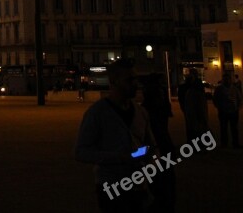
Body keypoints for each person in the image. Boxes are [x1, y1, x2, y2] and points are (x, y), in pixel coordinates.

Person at [75, 58, 157, 212]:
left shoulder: (140, 112)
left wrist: (149, 159)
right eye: (129, 80)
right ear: (114, 81)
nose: (135, 84)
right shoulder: (97, 113)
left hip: (139, 185)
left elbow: (151, 146)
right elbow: (80, 152)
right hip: (112, 186)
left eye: (135, 79)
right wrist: (118, 158)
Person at [140, 73, 176, 211]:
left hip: (160, 151)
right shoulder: (145, 112)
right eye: (159, 93)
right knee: (160, 192)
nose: (162, 96)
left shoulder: (151, 109)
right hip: (154, 153)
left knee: (165, 191)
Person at [178, 68, 208, 142]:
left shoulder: (192, 87)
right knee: (195, 127)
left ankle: (194, 142)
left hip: (193, 109)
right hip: (193, 110)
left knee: (192, 127)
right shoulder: (193, 88)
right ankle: (197, 142)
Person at [212, 73, 241, 148]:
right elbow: (215, 99)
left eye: (228, 79)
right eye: (225, 79)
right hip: (223, 112)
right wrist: (219, 107)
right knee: (223, 128)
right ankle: (224, 143)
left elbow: (239, 98)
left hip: (233, 111)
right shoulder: (219, 89)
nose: (226, 80)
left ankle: (235, 143)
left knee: (234, 128)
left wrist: (237, 107)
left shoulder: (234, 89)